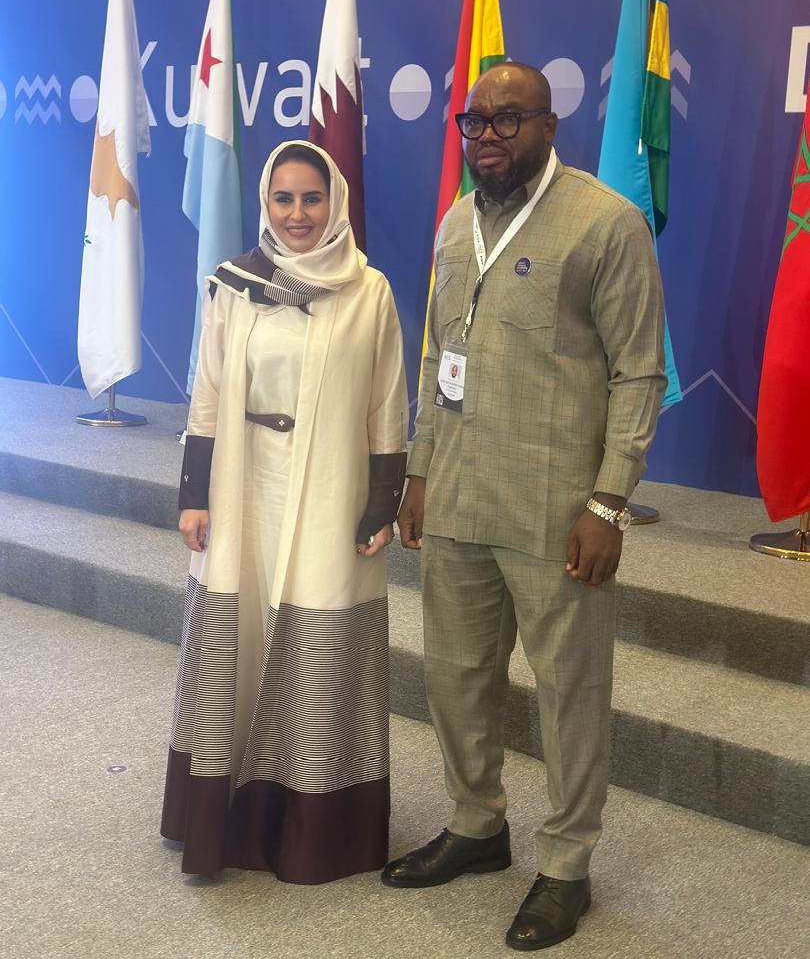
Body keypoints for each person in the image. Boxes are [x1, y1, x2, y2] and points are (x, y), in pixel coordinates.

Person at [381, 63, 666, 951]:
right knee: (455, 676)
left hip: (557, 508)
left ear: (549, 125)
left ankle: (567, 865)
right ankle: (477, 826)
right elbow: (442, 357)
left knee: (569, 691)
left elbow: (639, 373)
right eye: (476, 122)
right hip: (460, 493)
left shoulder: (606, 223)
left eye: (510, 119)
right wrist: (420, 470)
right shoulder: (455, 223)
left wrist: (609, 504)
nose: (489, 136)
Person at [160, 140, 409, 885]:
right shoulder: (233, 284)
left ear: (335, 203)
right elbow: (207, 392)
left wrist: (382, 503)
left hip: (330, 494)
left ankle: (309, 830)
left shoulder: (369, 291)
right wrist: (194, 495)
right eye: (283, 198)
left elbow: (387, 405)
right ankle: (219, 812)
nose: (298, 214)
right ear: (266, 204)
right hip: (243, 489)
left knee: (318, 641)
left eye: (312, 198)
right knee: (234, 636)